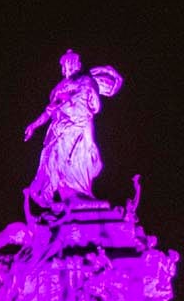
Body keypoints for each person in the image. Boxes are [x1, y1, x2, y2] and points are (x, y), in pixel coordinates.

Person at [24, 50, 124, 211]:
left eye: (70, 63)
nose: (67, 67)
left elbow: (91, 106)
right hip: (58, 130)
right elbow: (49, 111)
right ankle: (63, 198)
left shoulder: (85, 80)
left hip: (78, 126)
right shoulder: (60, 87)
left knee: (75, 161)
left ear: (76, 64)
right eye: (64, 64)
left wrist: (70, 105)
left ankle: (79, 196)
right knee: (52, 160)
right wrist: (33, 126)